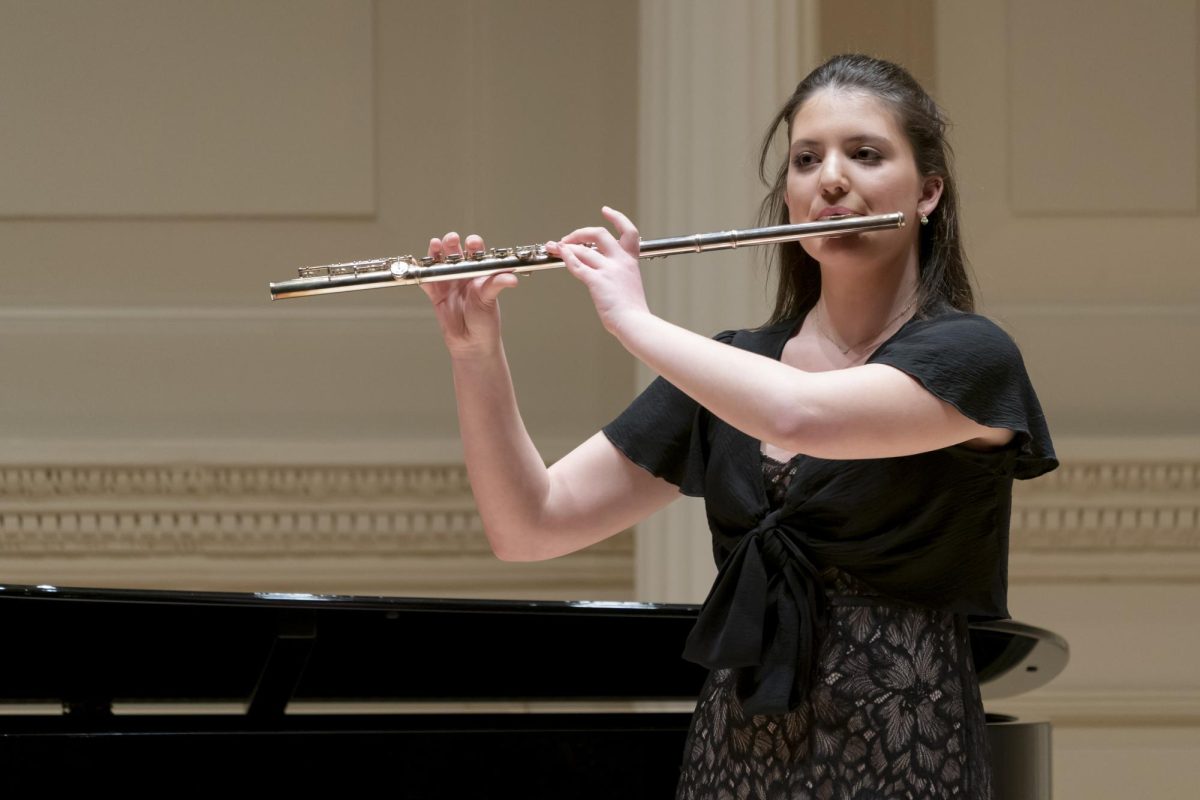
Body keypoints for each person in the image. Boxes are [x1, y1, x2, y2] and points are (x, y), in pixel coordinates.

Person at [420, 54, 1056, 800]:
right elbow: (529, 524)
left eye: (866, 154)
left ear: (928, 193)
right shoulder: (734, 369)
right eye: (807, 159)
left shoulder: (972, 358)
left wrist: (631, 320)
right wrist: (475, 352)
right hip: (735, 760)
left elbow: (801, 414)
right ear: (788, 196)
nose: (831, 180)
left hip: (905, 756)